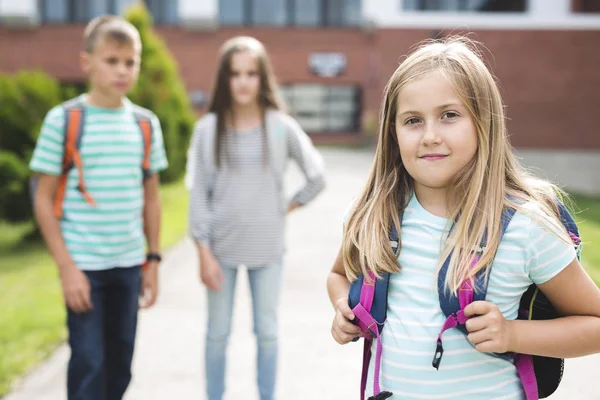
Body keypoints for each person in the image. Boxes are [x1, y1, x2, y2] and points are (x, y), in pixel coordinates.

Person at [326, 37, 600, 399]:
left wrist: (513, 334)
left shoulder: (526, 225)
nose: (430, 136)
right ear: (392, 134)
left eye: (449, 115)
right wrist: (345, 309)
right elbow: (339, 275)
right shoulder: (372, 215)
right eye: (412, 121)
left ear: (482, 122)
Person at [29, 15, 168, 400]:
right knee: (89, 363)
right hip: (84, 267)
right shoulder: (65, 120)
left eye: (130, 62)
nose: (122, 70)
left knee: (120, 363)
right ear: (87, 62)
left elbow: (152, 197)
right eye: (112, 61)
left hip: (127, 266)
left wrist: (152, 260)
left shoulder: (145, 124)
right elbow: (42, 198)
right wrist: (67, 268)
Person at [187, 36, 326, 400]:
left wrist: (287, 206)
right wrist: (202, 250)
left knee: (267, 331)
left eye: (251, 73)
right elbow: (199, 193)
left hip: (267, 249)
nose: (244, 81)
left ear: (263, 78)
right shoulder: (208, 130)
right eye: (236, 74)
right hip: (220, 250)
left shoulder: (279, 126)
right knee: (217, 333)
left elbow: (317, 175)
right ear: (225, 79)